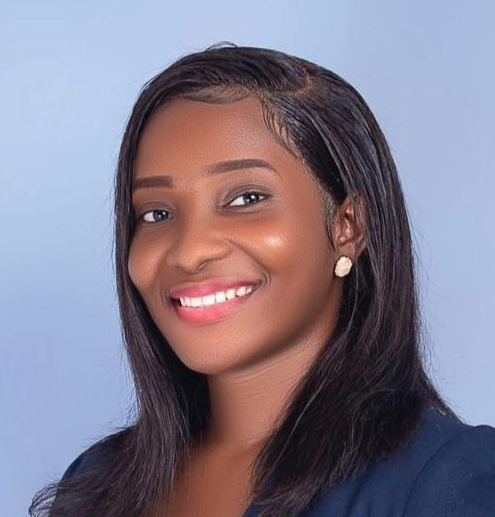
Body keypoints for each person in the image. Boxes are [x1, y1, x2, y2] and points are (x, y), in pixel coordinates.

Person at [30, 43, 495, 517]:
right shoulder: (96, 480)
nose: (189, 251)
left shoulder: (448, 479)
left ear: (348, 227)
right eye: (156, 213)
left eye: (246, 199)